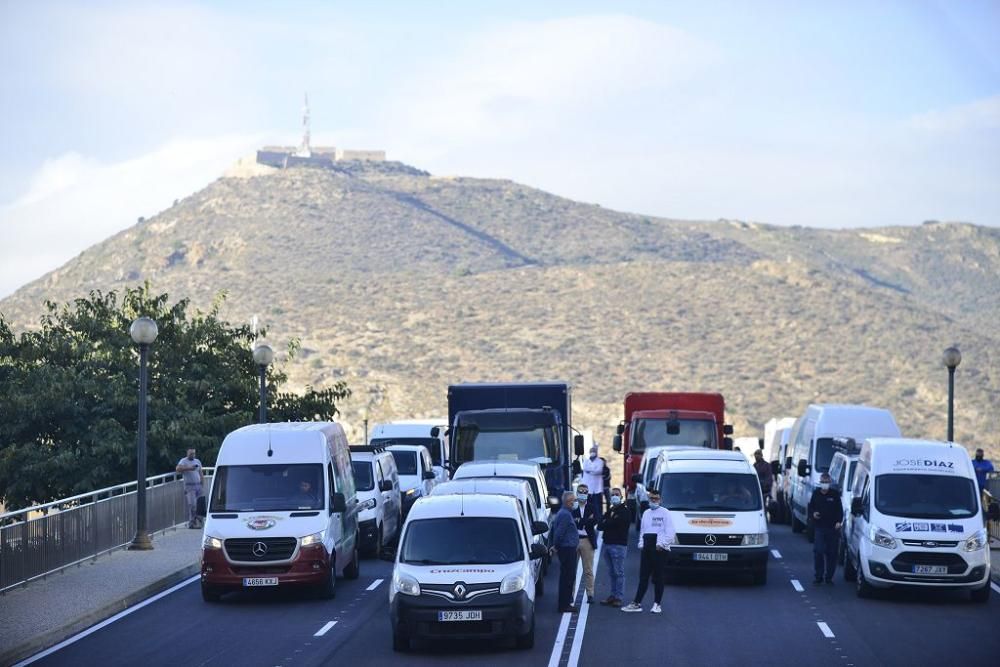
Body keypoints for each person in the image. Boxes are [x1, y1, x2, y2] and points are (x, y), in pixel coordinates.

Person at [621, 488, 675, 614]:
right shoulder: (646, 513)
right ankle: (637, 603)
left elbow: (671, 532)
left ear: (660, 500)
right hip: (647, 547)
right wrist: (641, 544)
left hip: (660, 548)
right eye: (651, 498)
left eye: (656, 499)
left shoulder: (665, 513)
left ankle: (657, 604)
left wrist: (661, 544)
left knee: (658, 577)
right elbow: (643, 531)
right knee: (643, 577)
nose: (653, 501)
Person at [809, 473, 844, 584]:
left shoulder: (834, 495)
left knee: (832, 553)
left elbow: (840, 510)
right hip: (820, 527)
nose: (825, 484)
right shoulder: (816, 494)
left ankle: (829, 577)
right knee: (818, 551)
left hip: (832, 528)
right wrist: (813, 514)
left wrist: (839, 522)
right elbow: (811, 507)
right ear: (820, 482)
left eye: (827, 482)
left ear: (830, 482)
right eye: (823, 482)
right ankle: (818, 576)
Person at [598, 486, 630, 607]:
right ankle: (612, 595)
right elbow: (600, 525)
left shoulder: (625, 511)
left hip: (618, 545)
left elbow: (617, 523)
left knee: (618, 572)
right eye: (612, 495)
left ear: (621, 497)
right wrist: (608, 522)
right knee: (611, 572)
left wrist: (608, 522)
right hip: (607, 544)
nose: (614, 496)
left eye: (617, 494)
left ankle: (618, 597)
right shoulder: (610, 510)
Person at [550, 491, 580, 613]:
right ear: (568, 502)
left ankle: (565, 603)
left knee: (568, 576)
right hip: (567, 549)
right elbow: (558, 533)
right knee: (568, 577)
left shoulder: (565, 513)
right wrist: (556, 546)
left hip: (568, 548)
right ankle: (564, 604)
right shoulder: (565, 515)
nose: (575, 502)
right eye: (574, 500)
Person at [573, 483, 599, 603]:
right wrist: (586, 520)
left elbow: (595, 520)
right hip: (573, 540)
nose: (583, 494)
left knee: (588, 569)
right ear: (577, 493)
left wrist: (581, 521)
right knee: (571, 569)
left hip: (587, 540)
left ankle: (590, 594)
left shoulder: (592, 507)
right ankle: (570, 594)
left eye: (585, 492)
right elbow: (573, 522)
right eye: (580, 492)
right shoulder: (572, 507)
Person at [176, 448, 204, 528]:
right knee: (192, 505)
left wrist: (202, 483)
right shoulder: (183, 461)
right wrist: (189, 468)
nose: (192, 455)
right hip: (189, 486)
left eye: (193, 453)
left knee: (200, 505)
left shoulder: (197, 461)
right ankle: (192, 523)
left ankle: (199, 521)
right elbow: (177, 469)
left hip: (198, 485)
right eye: (191, 453)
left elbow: (200, 473)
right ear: (187, 453)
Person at [581, 446, 605, 515]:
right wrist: (593, 471)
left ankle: (599, 521)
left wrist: (590, 471)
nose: (592, 453)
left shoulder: (600, 461)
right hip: (586, 488)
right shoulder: (586, 461)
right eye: (591, 451)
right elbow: (585, 468)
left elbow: (599, 471)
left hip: (597, 489)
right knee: (586, 506)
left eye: (594, 451)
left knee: (597, 507)